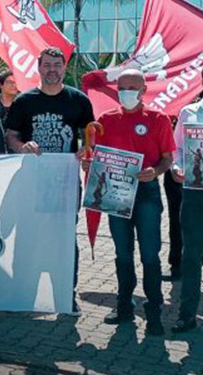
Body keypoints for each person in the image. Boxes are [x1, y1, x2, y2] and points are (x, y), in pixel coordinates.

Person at [80, 69, 174, 336]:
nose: (127, 93)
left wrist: (155, 172)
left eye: (133, 88)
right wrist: (90, 163)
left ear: (144, 90)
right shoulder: (105, 120)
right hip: (116, 194)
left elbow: (167, 158)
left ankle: (154, 313)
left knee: (149, 255)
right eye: (122, 88)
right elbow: (99, 156)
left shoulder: (158, 119)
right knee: (123, 254)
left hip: (146, 193)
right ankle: (124, 307)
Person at [5, 47, 95, 315]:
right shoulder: (24, 101)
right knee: (28, 237)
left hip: (65, 183)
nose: (52, 69)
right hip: (31, 181)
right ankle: (25, 294)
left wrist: (87, 151)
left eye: (57, 65)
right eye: (48, 65)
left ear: (64, 68)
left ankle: (66, 293)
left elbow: (90, 137)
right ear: (39, 67)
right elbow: (11, 136)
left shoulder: (78, 100)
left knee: (65, 238)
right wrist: (22, 147)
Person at [171, 92, 203, 333]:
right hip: (194, 193)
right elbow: (177, 149)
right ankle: (187, 315)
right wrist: (177, 165)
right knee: (191, 256)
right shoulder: (188, 113)